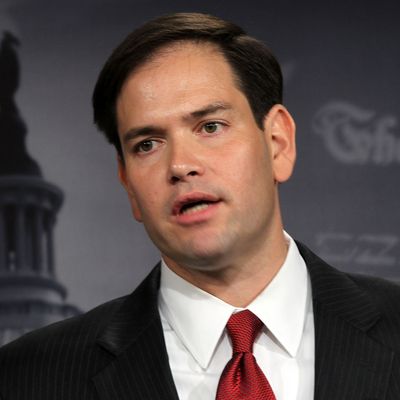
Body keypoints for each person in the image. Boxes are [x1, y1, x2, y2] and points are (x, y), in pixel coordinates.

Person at [0, 12, 399, 400]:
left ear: (278, 143)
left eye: (210, 127)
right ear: (128, 184)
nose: (180, 165)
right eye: (147, 145)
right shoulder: (26, 378)